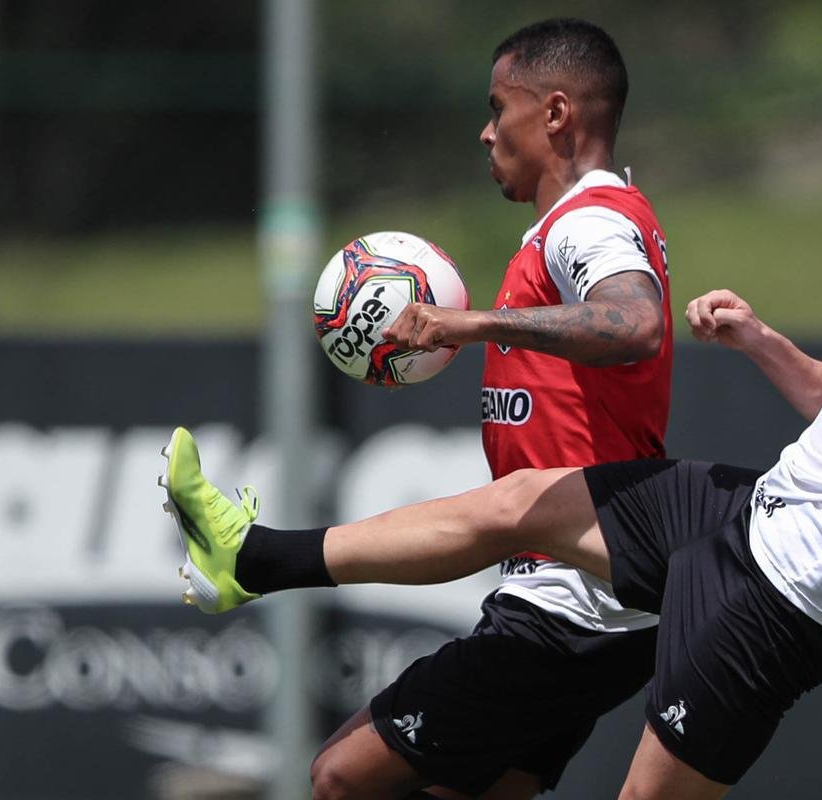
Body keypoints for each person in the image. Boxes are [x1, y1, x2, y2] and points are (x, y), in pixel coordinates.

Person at [161, 67, 822, 799]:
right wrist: (761, 343)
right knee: (523, 502)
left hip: (792, 599)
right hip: (752, 515)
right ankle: (256, 557)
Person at [219, 18, 672, 800]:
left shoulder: (589, 222)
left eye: (501, 108)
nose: (486, 130)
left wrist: (471, 324)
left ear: (556, 114)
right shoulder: (573, 225)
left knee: (339, 777)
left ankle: (259, 559)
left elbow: (634, 324)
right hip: (596, 597)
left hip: (574, 601)